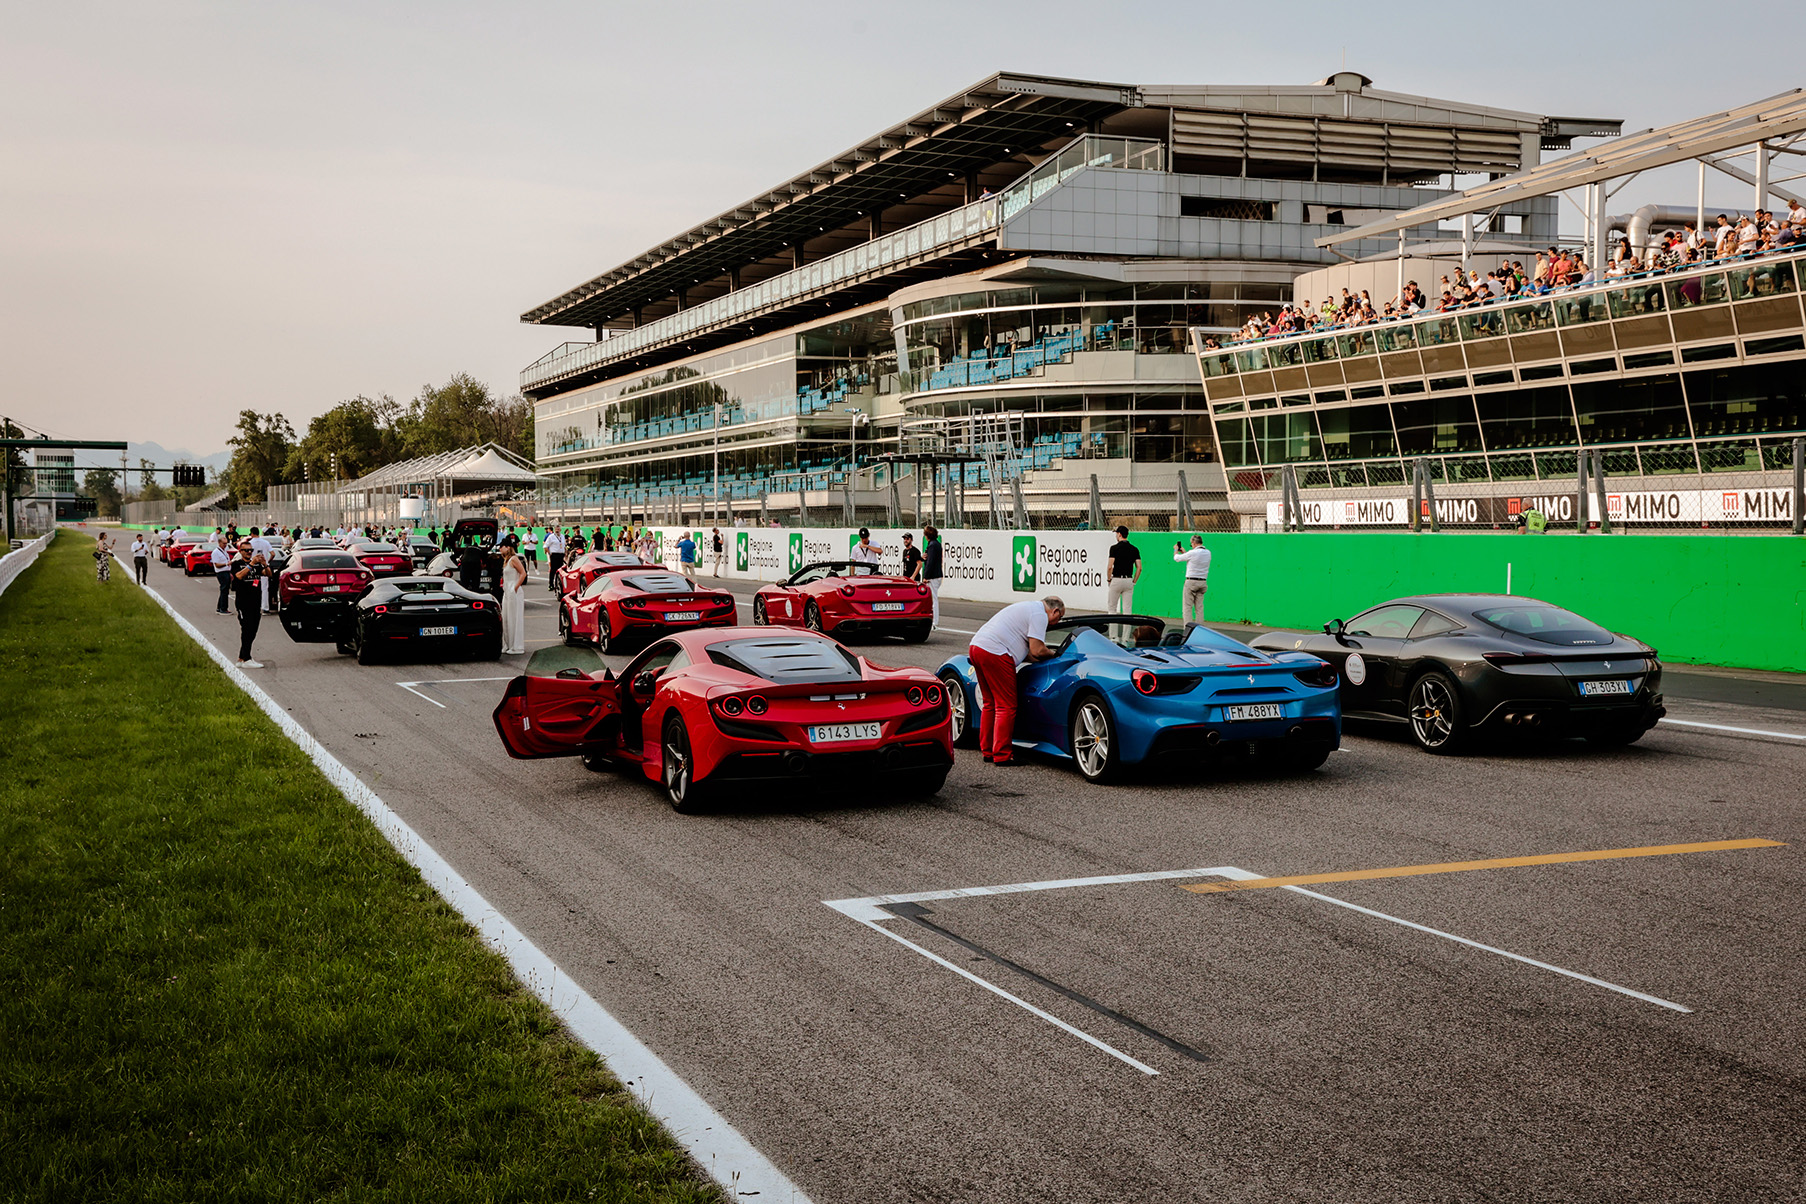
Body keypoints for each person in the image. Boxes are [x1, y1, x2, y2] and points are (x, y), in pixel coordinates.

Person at [967, 596, 1065, 765]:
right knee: (1006, 705)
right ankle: (1002, 754)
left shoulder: (1028, 607)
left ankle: (988, 750)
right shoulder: (1040, 614)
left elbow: (1027, 653)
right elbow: (1037, 650)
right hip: (996, 651)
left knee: (990, 703)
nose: (1056, 622)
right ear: (1054, 611)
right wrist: (1055, 655)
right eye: (1059, 617)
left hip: (977, 647)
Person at [232, 547, 267, 668]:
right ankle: (246, 658)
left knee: (253, 630)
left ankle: (242, 657)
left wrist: (264, 564)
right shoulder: (237, 564)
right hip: (243, 602)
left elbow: (268, 574)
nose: (249, 552)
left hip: (256, 602)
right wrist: (251, 564)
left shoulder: (257, 565)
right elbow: (239, 576)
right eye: (246, 550)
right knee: (247, 629)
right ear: (240, 551)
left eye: (251, 550)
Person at [1172, 535, 1211, 625]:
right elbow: (1194, 560)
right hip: (1202, 582)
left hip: (1191, 582)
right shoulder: (1208, 553)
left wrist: (1175, 550)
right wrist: (1185, 552)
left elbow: (1176, 558)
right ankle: (1200, 629)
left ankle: (1188, 630)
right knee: (1199, 608)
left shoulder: (1192, 553)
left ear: (1193, 543)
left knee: (1187, 607)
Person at [499, 536, 527, 655]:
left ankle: (515, 646)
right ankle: (508, 644)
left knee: (513, 618)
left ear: (508, 547)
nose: (500, 549)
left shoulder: (514, 559)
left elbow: (523, 573)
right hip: (507, 591)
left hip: (513, 591)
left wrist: (515, 587)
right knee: (506, 618)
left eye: (502, 547)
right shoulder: (507, 560)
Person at [1106, 526, 1140, 613]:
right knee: (1127, 609)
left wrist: (1109, 579)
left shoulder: (1114, 548)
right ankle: (1127, 627)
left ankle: (1113, 626)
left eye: (1116, 534)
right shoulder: (1134, 549)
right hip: (1128, 579)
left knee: (1112, 608)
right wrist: (1134, 582)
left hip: (1117, 579)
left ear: (1120, 534)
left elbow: (1110, 566)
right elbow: (1139, 568)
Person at [922, 525, 943, 630]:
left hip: (933, 576)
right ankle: (934, 620)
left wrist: (926, 576)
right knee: (933, 598)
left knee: (933, 599)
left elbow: (930, 562)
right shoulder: (936, 544)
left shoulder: (932, 546)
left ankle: (934, 621)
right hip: (937, 575)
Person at [211, 539, 234, 613]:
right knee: (224, 590)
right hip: (221, 572)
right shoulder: (216, 552)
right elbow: (217, 565)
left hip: (226, 571)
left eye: (226, 543)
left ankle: (220, 607)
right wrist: (226, 564)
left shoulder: (224, 551)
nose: (225, 545)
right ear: (219, 543)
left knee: (224, 590)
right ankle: (223, 608)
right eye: (223, 543)